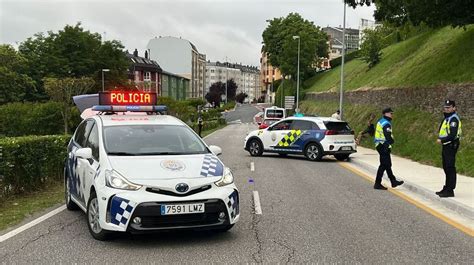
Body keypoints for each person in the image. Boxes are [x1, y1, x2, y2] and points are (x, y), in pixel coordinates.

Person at [436, 100, 462, 198]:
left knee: (450, 167)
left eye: (449, 107)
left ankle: (450, 190)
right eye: (445, 107)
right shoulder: (447, 118)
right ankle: (446, 187)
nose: (446, 109)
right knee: (446, 166)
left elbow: (452, 135)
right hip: (446, 145)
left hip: (451, 145)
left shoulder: (453, 119)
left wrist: (441, 140)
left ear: (454, 108)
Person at [373, 107, 404, 190]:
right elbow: (387, 136)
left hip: (380, 145)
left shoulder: (381, 121)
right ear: (386, 114)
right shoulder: (386, 123)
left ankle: (393, 181)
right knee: (384, 165)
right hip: (383, 145)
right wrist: (391, 141)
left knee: (386, 164)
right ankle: (378, 183)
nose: (392, 115)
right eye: (391, 113)